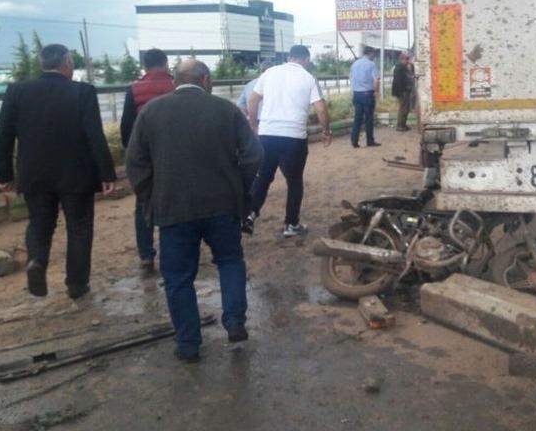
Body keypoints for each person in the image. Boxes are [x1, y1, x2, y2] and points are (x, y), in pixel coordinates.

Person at [126, 59, 263, 363]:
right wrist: (239, 188)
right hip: (223, 205)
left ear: (176, 81)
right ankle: (235, 321)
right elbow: (254, 155)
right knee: (229, 261)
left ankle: (188, 344)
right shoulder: (226, 110)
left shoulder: (151, 112)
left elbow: (134, 162)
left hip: (174, 209)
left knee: (177, 277)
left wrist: (152, 196)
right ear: (206, 79)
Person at [0, 44, 116, 299]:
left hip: (34, 173)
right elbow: (95, 136)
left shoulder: (17, 91)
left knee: (40, 223)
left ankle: (37, 261)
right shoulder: (83, 91)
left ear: (42, 64)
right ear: (67, 63)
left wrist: (3, 174)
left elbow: (3, 136)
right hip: (77, 174)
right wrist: (107, 174)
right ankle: (76, 283)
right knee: (80, 227)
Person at [243, 45, 332, 237]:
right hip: (294, 138)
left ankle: (250, 213)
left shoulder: (269, 73)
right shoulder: (308, 78)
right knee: (294, 181)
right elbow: (321, 109)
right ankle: (291, 224)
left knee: (264, 177)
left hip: (267, 135)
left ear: (289, 57)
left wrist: (254, 124)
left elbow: (252, 100)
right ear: (306, 60)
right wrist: (326, 130)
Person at [120, 48, 174, 276]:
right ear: (166, 63)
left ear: (144, 65)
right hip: (175, 154)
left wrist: (134, 155)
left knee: (143, 203)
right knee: (175, 203)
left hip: (146, 155)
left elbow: (126, 128)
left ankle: (145, 255)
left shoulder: (134, 89)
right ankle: (171, 252)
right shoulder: (175, 86)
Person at [349, 46, 381, 148]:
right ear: (370, 53)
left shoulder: (355, 64)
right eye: (374, 54)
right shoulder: (371, 65)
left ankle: (354, 141)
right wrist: (376, 91)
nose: (375, 56)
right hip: (367, 94)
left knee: (357, 118)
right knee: (369, 118)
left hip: (357, 94)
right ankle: (370, 141)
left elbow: (351, 78)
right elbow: (376, 80)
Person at [391, 52, 415, 131]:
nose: (408, 61)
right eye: (407, 59)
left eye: (408, 59)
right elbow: (399, 81)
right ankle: (400, 125)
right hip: (402, 91)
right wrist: (400, 92)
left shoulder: (403, 67)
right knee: (403, 108)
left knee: (406, 108)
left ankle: (403, 124)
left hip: (404, 90)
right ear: (402, 59)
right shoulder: (400, 67)